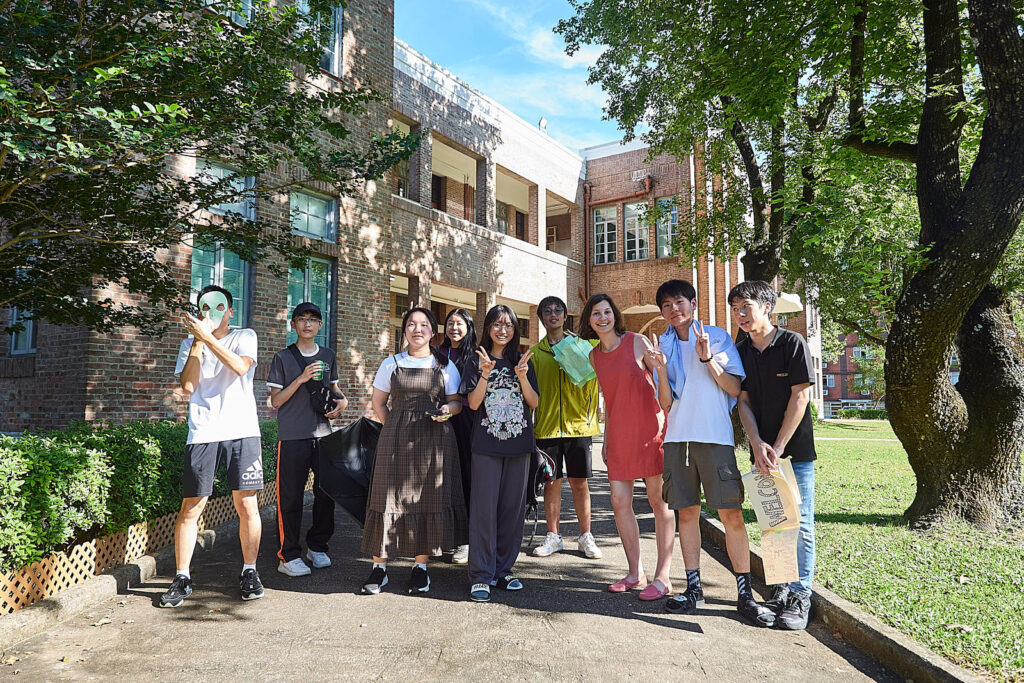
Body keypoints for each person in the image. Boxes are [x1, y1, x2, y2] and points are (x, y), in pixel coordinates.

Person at [654, 279, 775, 627]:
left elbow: (736, 388)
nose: (673, 310)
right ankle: (693, 588)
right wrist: (660, 369)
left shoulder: (718, 336)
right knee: (686, 515)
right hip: (678, 440)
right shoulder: (662, 343)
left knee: (731, 516)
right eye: (666, 306)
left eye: (679, 302)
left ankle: (744, 594)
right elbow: (665, 403)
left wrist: (707, 357)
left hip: (715, 439)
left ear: (693, 304)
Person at [161, 285, 264, 607]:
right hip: (203, 432)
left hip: (243, 430)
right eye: (205, 307)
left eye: (220, 306)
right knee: (192, 506)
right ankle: (182, 577)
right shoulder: (189, 344)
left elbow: (241, 367)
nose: (212, 312)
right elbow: (189, 386)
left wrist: (207, 339)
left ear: (230, 311)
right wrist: (196, 341)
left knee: (246, 503)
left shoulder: (244, 335)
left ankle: (250, 570)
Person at [361, 307, 467, 595]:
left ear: (433, 332)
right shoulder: (390, 363)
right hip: (395, 442)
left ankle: (420, 568)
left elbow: (456, 402)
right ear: (404, 330)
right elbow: (379, 403)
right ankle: (378, 569)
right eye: (411, 324)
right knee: (386, 499)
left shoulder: (445, 365)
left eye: (424, 325)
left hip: (435, 443)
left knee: (427, 500)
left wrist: (448, 409)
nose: (417, 329)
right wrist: (396, 426)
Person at [730, 280, 817, 630]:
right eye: (735, 308)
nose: (739, 314)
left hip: (794, 451)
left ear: (767, 306)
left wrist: (777, 447)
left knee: (802, 523)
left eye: (745, 307)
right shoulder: (741, 350)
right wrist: (757, 445)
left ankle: (801, 594)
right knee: (774, 524)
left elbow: (801, 397)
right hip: (761, 452)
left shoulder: (792, 343)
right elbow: (743, 401)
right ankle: (781, 588)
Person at [579, 293, 675, 601]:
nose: (603, 317)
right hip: (619, 435)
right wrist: (606, 439)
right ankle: (636, 573)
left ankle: (663, 576)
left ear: (615, 315)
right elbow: (610, 399)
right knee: (619, 501)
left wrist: (661, 370)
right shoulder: (594, 356)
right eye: (596, 313)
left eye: (607, 311)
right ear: (589, 320)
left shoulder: (636, 341)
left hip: (651, 430)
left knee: (658, 502)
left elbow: (662, 384)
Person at [460, 305, 539, 602]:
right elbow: (473, 403)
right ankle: (481, 575)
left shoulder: (523, 360)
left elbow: (533, 402)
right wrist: (484, 374)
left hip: (519, 446)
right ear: (488, 327)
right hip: (486, 446)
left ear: (515, 328)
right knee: (484, 511)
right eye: (497, 324)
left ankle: (503, 570)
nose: (502, 330)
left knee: (511, 510)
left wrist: (521, 376)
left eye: (508, 325)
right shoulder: (475, 360)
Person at [266, 302, 348, 577]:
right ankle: (288, 555)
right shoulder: (282, 357)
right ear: (293, 325)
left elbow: (334, 389)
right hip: (292, 436)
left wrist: (342, 402)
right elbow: (275, 401)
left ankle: (317, 545)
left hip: (323, 435)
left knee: (326, 494)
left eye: (313, 319)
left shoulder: (328, 355)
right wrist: (301, 378)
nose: (307, 324)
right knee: (290, 498)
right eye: (302, 319)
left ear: (320, 325)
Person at [529, 295, 602, 560]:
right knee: (552, 482)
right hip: (547, 428)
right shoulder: (535, 354)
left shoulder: (584, 347)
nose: (553, 314)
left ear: (565, 314)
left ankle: (586, 536)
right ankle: (553, 536)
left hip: (578, 427)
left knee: (580, 482)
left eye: (557, 310)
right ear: (541, 317)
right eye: (546, 311)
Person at [438, 308, 478, 565]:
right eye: (450, 322)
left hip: (465, 420)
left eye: (459, 323)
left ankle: (465, 540)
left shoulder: (475, 355)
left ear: (468, 327)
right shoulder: (437, 353)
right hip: (438, 419)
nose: (454, 327)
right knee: (440, 479)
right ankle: (442, 536)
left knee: (464, 477)